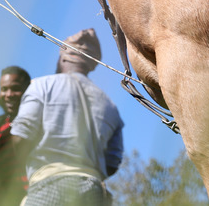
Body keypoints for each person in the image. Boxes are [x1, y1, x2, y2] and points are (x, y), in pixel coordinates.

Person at [10, 29, 124, 205]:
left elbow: (20, 137)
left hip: (47, 185)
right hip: (93, 192)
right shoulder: (110, 106)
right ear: (91, 63)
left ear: (64, 56)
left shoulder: (41, 86)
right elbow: (113, 162)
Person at [0, 65, 31, 206]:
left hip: (29, 195)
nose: (8, 94)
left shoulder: (39, 121)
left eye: (15, 89)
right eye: (4, 89)